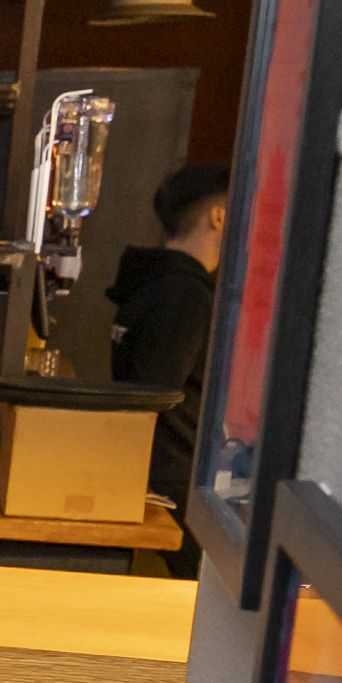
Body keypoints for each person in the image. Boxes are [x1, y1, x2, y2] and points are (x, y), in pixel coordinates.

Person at [107, 160, 228, 575]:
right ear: (219, 216)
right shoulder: (185, 294)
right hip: (174, 482)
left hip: (146, 471)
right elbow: (156, 394)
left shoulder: (149, 281)